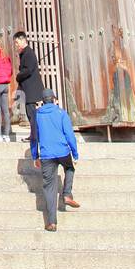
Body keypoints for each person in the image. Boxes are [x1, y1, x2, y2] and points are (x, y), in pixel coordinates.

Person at [34, 90, 80, 231]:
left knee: (49, 187)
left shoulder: (37, 115)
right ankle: (66, 194)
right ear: (54, 99)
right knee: (70, 168)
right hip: (62, 151)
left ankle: (52, 222)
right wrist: (75, 153)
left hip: (46, 154)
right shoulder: (61, 113)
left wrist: (35, 156)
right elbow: (69, 135)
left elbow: (34, 136)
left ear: (42, 101)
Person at [13, 32, 47, 160]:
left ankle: (35, 135)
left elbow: (28, 70)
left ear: (22, 41)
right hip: (28, 88)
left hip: (31, 88)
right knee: (30, 113)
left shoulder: (28, 53)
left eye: (17, 42)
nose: (16, 45)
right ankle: (33, 133)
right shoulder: (25, 53)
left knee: (32, 114)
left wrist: (18, 76)